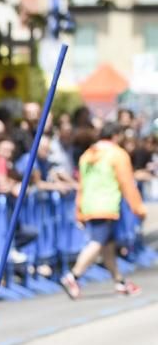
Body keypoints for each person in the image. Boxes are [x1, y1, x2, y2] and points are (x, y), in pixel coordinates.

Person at [60, 122, 148, 299]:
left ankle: (119, 281)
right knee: (98, 242)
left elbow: (82, 185)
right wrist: (138, 208)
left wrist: (79, 209)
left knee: (107, 245)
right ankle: (73, 276)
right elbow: (127, 183)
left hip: (89, 203)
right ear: (116, 136)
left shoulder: (87, 155)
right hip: (107, 204)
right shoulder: (117, 154)